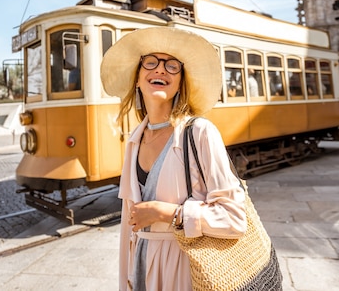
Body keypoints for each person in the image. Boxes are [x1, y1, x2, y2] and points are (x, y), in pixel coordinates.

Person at [100, 27, 247, 291]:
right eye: (150, 62)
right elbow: (128, 230)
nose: (160, 70)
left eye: (172, 66)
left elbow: (234, 218)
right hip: (141, 271)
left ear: (181, 82)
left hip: (185, 273)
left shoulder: (200, 132)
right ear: (137, 78)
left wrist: (170, 214)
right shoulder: (134, 140)